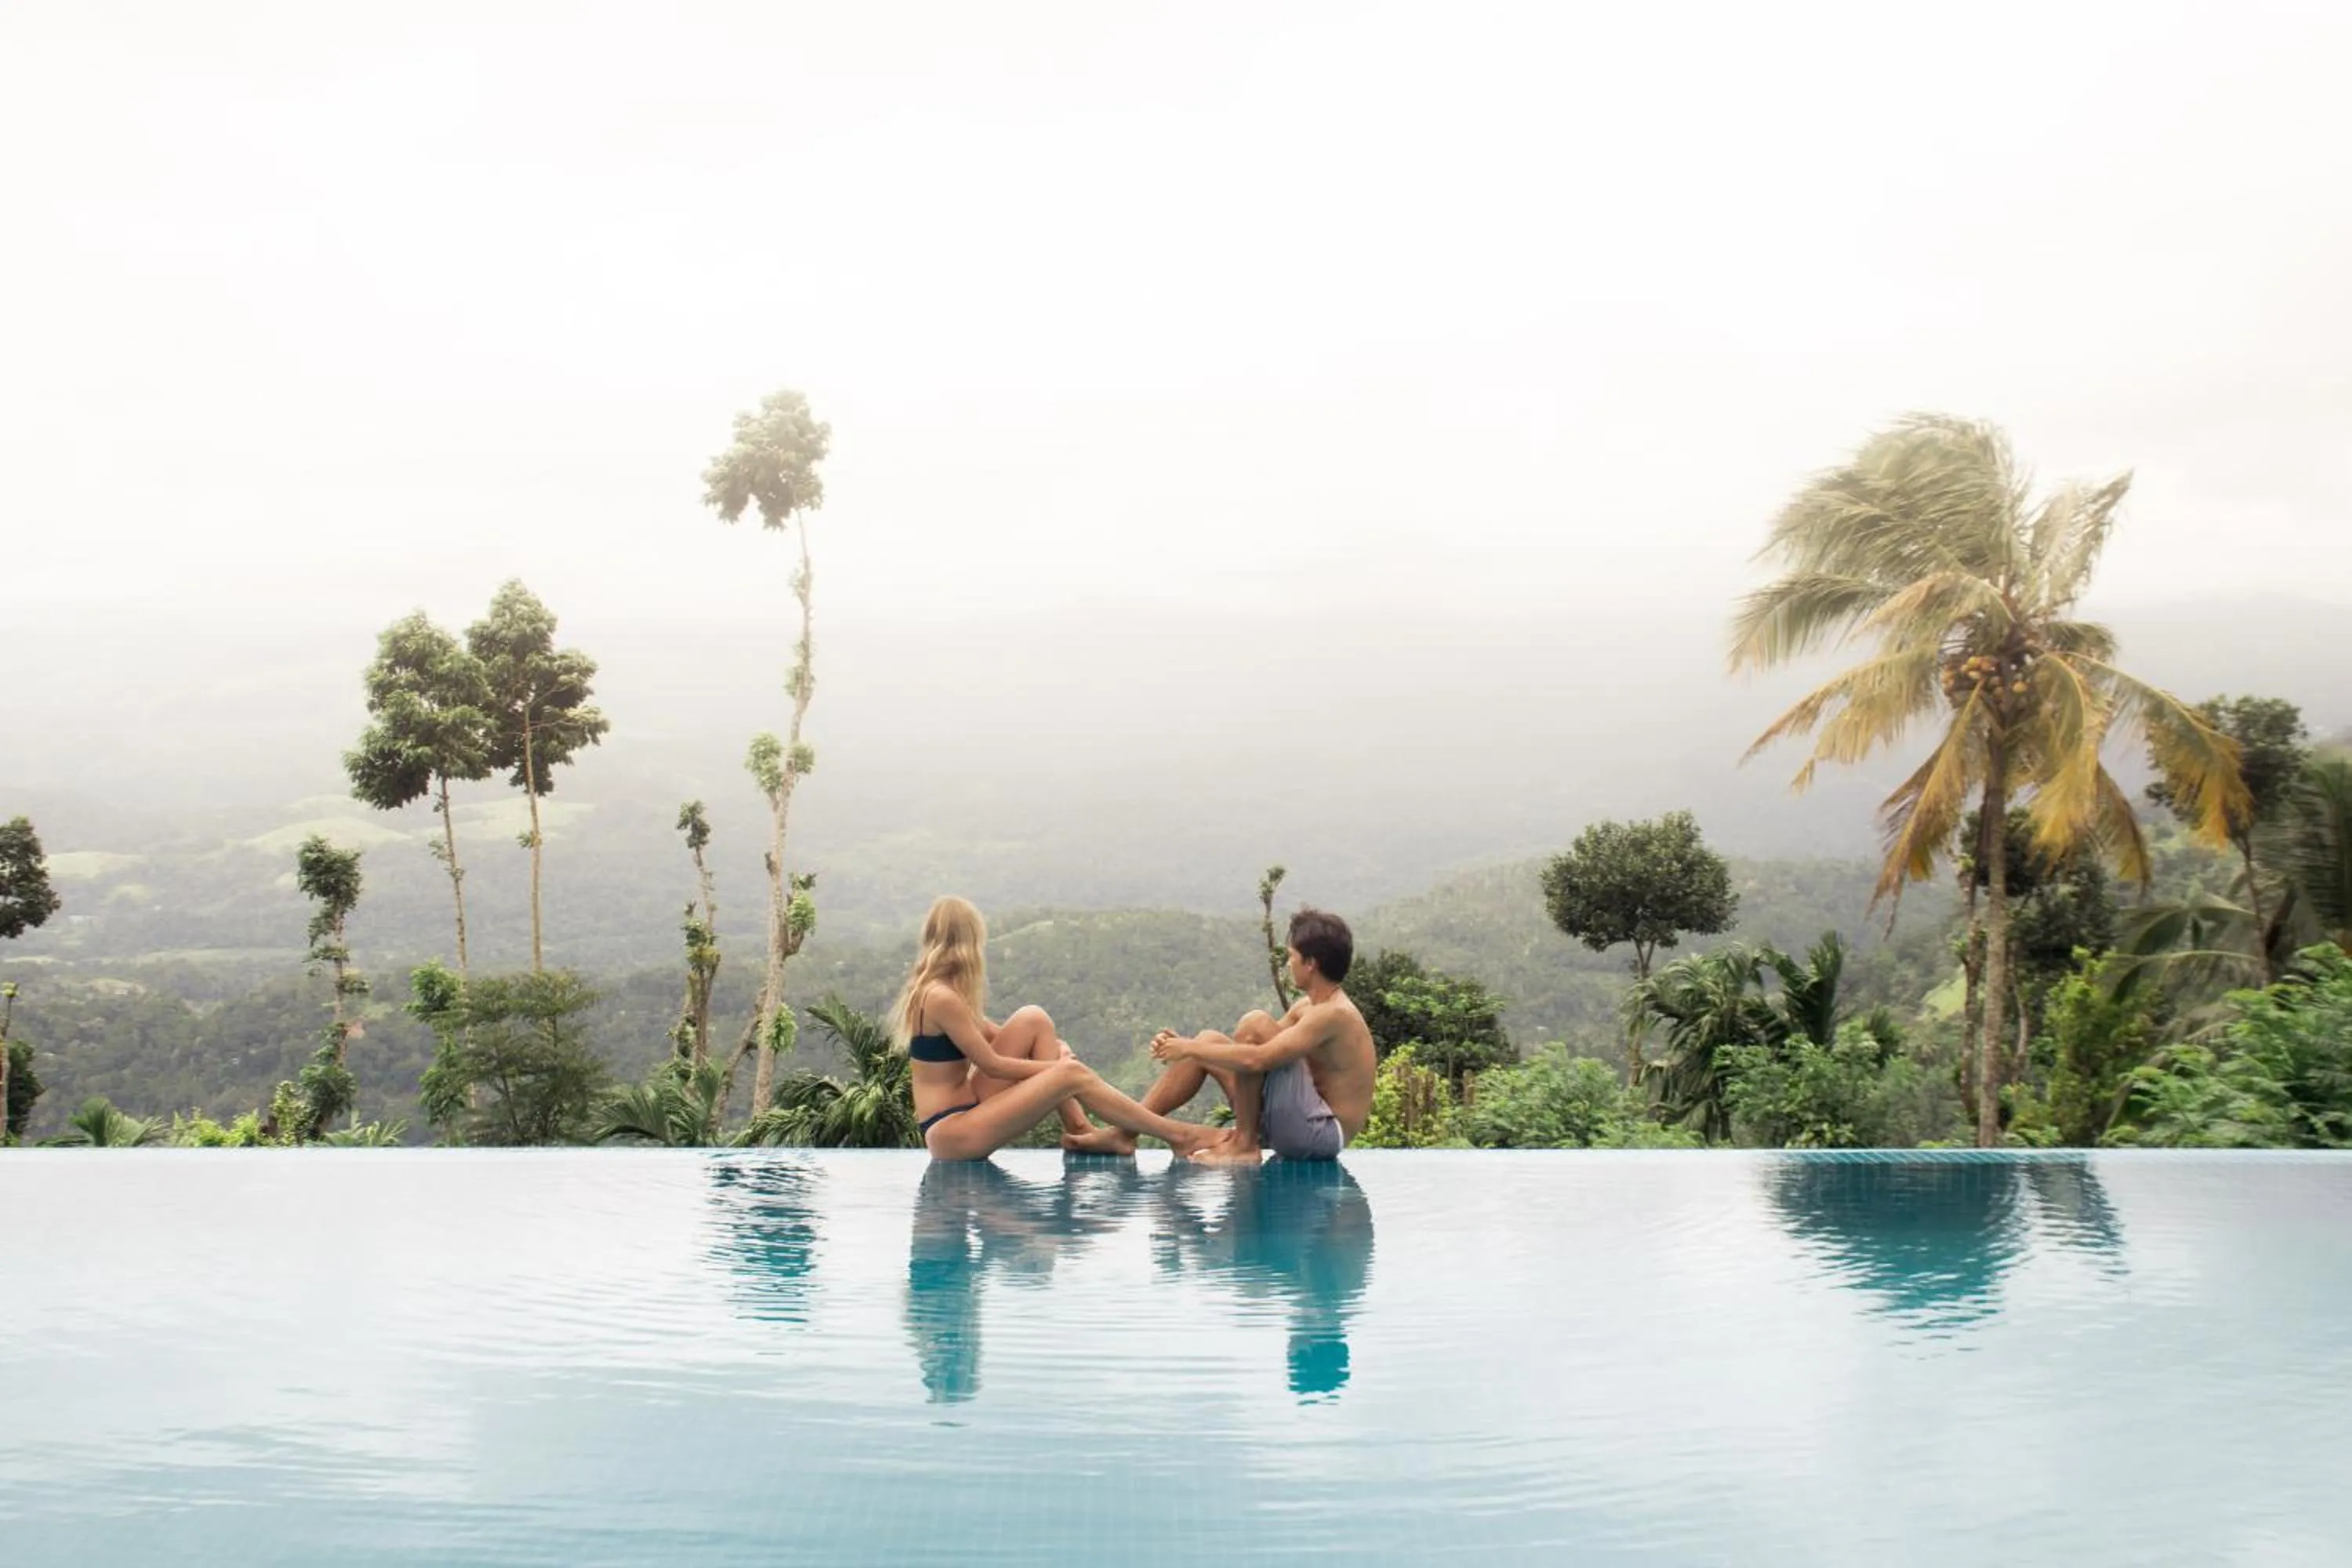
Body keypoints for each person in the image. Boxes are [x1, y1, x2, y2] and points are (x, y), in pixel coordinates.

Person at [892, 895, 1218, 1161]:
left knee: (1033, 1019)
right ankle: (1179, 1136)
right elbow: (993, 1065)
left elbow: (998, 1037)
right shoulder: (941, 997)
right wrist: (1058, 1069)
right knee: (1071, 1073)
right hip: (952, 1132)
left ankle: (1080, 1129)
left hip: (966, 1113)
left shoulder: (942, 992)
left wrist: (1056, 1054)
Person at [1073, 908, 1375, 1163]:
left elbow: (1258, 1058)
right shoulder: (1307, 1007)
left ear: (1311, 964)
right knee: (1208, 1041)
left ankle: (1244, 1146)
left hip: (1320, 1135)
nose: (1288, 963)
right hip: (1295, 1121)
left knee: (1253, 1024)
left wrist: (1188, 1049)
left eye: (1292, 957)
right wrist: (1187, 1047)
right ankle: (1125, 1133)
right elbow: (1260, 1055)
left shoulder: (1334, 1014)